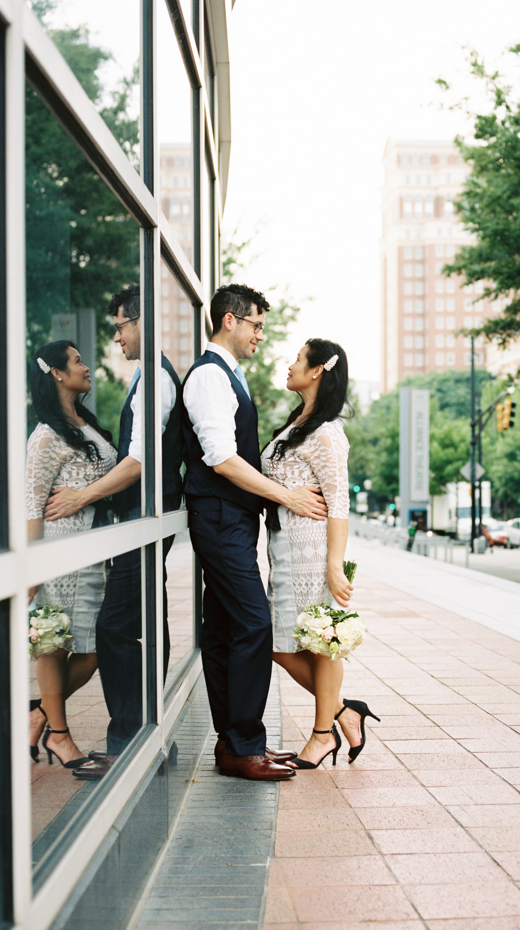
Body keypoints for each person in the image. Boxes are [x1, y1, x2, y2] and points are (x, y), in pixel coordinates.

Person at [182, 283, 327, 781]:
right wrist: (285, 496)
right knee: (253, 624)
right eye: (257, 325)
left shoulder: (229, 377)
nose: (261, 335)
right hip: (219, 517)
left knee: (224, 629)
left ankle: (233, 744)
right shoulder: (209, 378)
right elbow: (221, 459)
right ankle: (245, 743)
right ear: (230, 321)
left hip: (231, 520)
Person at [43, 285, 184, 779]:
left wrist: (83, 496)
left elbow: (140, 460)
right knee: (141, 623)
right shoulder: (148, 376)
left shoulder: (155, 381)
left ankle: (129, 743)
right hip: (143, 519)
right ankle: (146, 733)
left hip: (144, 520)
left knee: (116, 627)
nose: (118, 336)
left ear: (143, 322)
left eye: (122, 325)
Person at [262, 339, 380, 768]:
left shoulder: (327, 434)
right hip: (285, 552)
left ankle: (322, 733)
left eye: (297, 358)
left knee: (321, 644)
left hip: (311, 553)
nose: (289, 364)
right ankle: (345, 710)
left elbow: (339, 502)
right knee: (282, 644)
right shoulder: (299, 425)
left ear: (317, 372)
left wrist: (334, 563)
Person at [27, 340, 117, 769]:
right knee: (55, 643)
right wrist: (31, 566)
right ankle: (59, 735)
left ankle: (43, 711)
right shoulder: (45, 435)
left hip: (92, 555)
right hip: (58, 555)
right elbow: (32, 503)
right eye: (78, 361)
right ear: (58, 375)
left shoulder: (84, 424)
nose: (86, 366)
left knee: (95, 646)